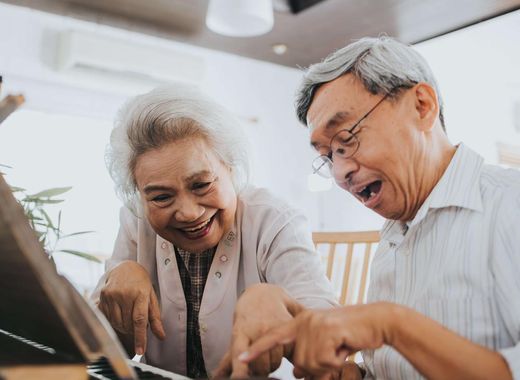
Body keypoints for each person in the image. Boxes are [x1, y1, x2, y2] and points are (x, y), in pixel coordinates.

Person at [231, 36, 520, 379]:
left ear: (421, 106)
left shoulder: (508, 206)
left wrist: (389, 324)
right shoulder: (394, 236)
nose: (340, 173)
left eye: (346, 139)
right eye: (327, 156)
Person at [91, 84, 337, 378]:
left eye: (201, 184)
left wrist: (278, 303)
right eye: (160, 197)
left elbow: (328, 333)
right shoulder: (136, 222)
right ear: (139, 197)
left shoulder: (275, 220)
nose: (189, 213)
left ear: (230, 168)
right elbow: (96, 349)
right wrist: (118, 282)